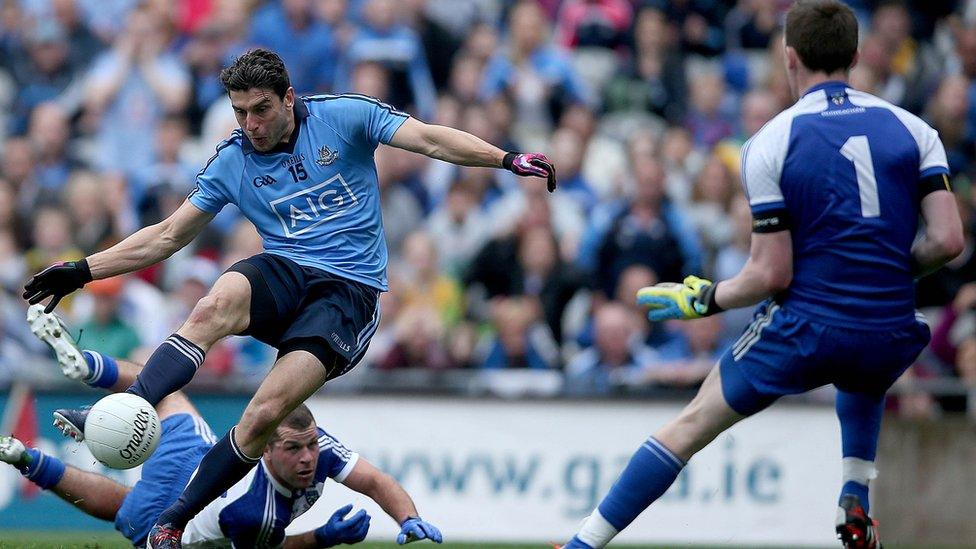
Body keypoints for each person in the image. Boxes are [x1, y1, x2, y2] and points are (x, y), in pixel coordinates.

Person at [22, 48, 555, 548]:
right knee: (211, 305)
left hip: (347, 294)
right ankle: (125, 410)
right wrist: (82, 270)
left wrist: (507, 160)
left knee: (262, 417)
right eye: (239, 113)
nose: (250, 125)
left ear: (289, 98)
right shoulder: (232, 159)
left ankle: (171, 524)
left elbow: (431, 140)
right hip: (286, 269)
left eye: (260, 110)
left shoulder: (344, 117)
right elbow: (166, 236)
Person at [559, 2, 964, 549]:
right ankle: (856, 497)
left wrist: (705, 299)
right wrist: (883, 269)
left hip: (809, 328)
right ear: (857, 54)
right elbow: (948, 241)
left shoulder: (771, 141)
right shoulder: (915, 130)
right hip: (890, 327)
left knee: (692, 424)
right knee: (864, 368)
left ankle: (583, 543)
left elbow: (770, 272)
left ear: (788, 56)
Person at [3, 305, 442, 548]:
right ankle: (34, 450)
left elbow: (375, 480)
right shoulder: (256, 513)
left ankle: (88, 377)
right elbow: (274, 547)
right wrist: (324, 537)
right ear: (264, 449)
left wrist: (408, 517)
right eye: (294, 449)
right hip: (172, 524)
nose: (308, 457)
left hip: (195, 469)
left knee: (166, 399)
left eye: (310, 446)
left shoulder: (316, 446)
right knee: (130, 506)